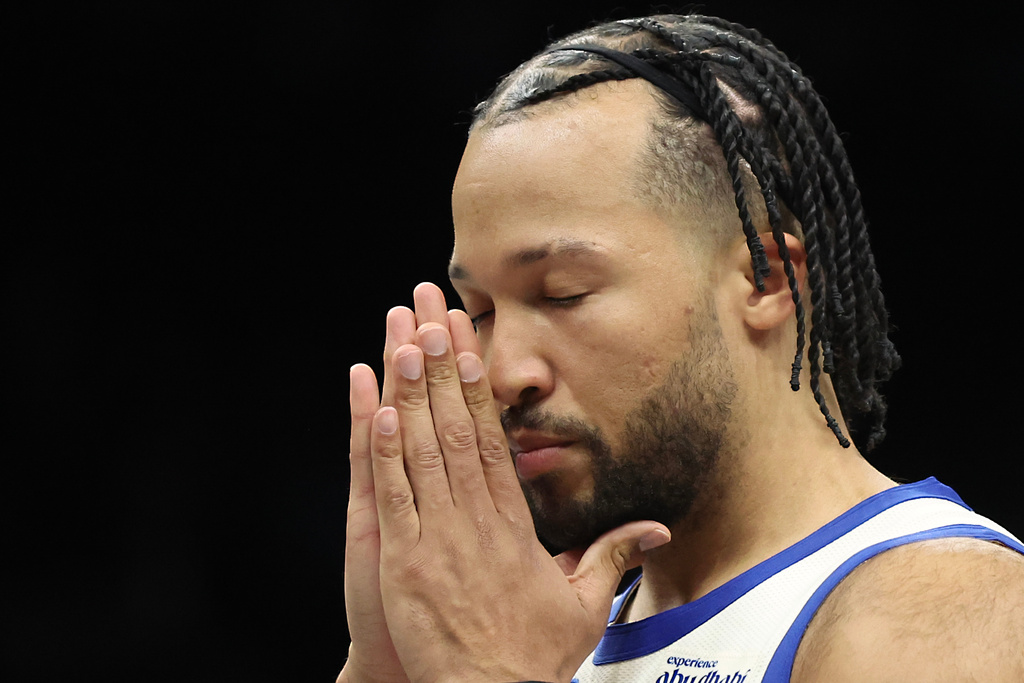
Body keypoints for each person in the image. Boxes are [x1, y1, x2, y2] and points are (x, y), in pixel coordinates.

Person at [341, 13, 1024, 683]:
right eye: (481, 311)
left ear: (765, 279)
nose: (502, 372)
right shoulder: (534, 638)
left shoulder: (942, 603)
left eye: (563, 293)